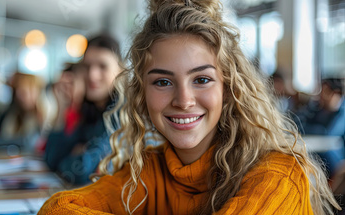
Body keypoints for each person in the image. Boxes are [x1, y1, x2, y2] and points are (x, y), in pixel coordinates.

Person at [39, 0, 340, 214]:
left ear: (229, 87)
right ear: (142, 95)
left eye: (202, 79)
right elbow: (58, 208)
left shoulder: (279, 176)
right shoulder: (149, 173)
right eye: (163, 82)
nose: (183, 100)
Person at [44, 35, 122, 185]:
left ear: (120, 70)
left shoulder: (121, 111)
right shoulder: (90, 109)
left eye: (103, 66)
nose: (92, 75)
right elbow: (51, 161)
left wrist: (77, 154)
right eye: (87, 66)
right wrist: (62, 109)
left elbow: (81, 172)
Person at [295, 78, 345, 176]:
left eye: (326, 92)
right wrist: (311, 106)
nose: (321, 96)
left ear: (337, 94)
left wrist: (312, 129)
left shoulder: (342, 112)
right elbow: (297, 125)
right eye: (321, 91)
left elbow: (328, 133)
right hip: (318, 153)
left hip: (337, 158)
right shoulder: (317, 109)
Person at [0, 72, 51, 153]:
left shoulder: (47, 115)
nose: (21, 97)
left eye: (25, 92)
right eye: (18, 92)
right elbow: (5, 139)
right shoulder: (15, 114)